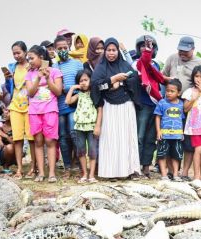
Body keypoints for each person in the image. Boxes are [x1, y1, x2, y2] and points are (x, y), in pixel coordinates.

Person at [91, 37, 142, 179]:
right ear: (105, 51)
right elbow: (96, 86)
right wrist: (113, 79)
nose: (111, 53)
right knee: (110, 139)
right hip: (109, 107)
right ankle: (110, 172)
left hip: (126, 105)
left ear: (118, 52)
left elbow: (135, 80)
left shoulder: (125, 65)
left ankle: (130, 171)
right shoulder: (100, 68)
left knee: (127, 138)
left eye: (114, 50)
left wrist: (120, 83)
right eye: (108, 50)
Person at [163, 36, 201, 180]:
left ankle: (184, 172)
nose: (182, 54)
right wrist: (168, 82)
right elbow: (163, 76)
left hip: (191, 110)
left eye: (186, 52)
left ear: (193, 50)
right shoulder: (171, 58)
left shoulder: (200, 62)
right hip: (172, 105)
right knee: (172, 138)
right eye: (180, 51)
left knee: (189, 143)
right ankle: (172, 171)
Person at [25, 45, 63, 182]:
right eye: (28, 59)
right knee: (38, 141)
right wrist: (37, 78)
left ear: (41, 57)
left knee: (50, 141)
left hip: (50, 110)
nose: (29, 61)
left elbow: (58, 91)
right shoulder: (29, 74)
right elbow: (30, 93)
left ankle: (52, 173)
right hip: (34, 111)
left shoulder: (55, 72)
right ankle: (41, 173)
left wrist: (47, 79)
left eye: (32, 58)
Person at [134, 35, 166, 178]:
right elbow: (145, 63)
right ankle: (136, 166)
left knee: (151, 138)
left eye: (148, 46)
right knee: (139, 137)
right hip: (143, 105)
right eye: (142, 46)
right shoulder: (137, 63)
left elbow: (159, 80)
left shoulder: (156, 65)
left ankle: (146, 166)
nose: (145, 48)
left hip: (155, 106)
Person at [4, 41, 37, 179]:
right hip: (15, 105)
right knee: (17, 139)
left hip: (30, 105)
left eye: (18, 53)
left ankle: (33, 167)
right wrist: (7, 79)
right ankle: (19, 168)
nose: (16, 56)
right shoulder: (12, 67)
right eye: (14, 53)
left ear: (25, 52)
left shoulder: (32, 66)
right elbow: (8, 87)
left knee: (31, 138)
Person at [52, 35, 83, 179]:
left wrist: (68, 89)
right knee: (63, 137)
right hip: (59, 106)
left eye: (65, 48)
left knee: (74, 133)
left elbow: (82, 84)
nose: (63, 50)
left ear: (69, 48)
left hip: (74, 105)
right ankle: (67, 166)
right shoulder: (53, 67)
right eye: (60, 49)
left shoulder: (77, 64)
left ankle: (78, 163)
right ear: (55, 50)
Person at [66, 70, 101, 183]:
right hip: (79, 126)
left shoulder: (94, 94)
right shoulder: (78, 95)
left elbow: (100, 110)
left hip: (91, 126)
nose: (84, 83)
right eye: (81, 81)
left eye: (86, 80)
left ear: (91, 80)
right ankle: (84, 174)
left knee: (92, 150)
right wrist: (72, 88)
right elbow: (67, 101)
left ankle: (91, 175)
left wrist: (97, 126)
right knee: (80, 150)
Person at [153, 79, 185, 180]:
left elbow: (181, 119)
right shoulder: (162, 103)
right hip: (164, 134)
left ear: (179, 92)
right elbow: (157, 117)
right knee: (162, 154)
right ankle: (164, 174)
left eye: (172, 91)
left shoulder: (181, 104)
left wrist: (182, 132)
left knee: (176, 155)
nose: (169, 93)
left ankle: (175, 174)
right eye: (167, 91)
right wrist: (158, 131)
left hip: (177, 135)